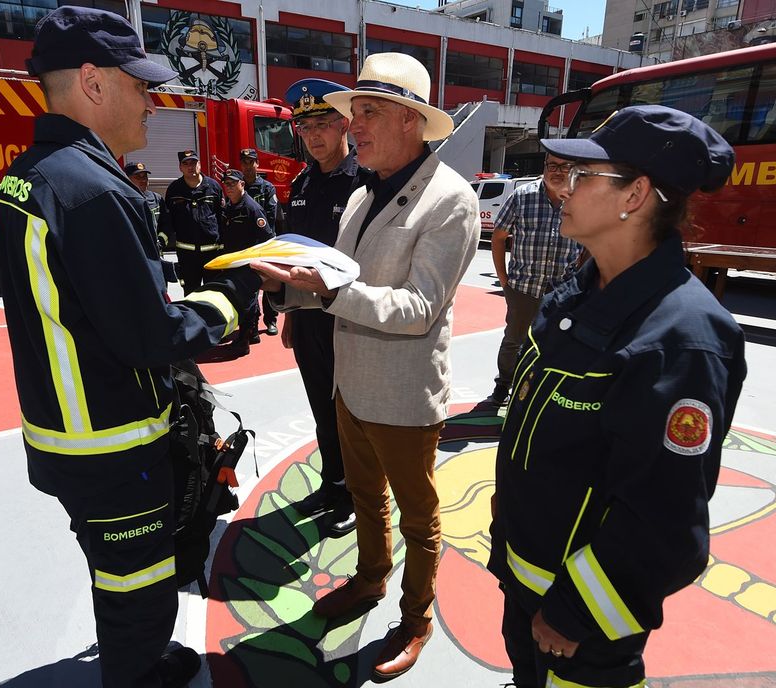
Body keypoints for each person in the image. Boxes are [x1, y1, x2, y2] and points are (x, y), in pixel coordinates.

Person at [0, 8, 258, 688]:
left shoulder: (28, 175)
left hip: (62, 432)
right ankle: (138, 674)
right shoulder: (93, 190)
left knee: (112, 570)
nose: (151, 101)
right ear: (92, 83)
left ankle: (131, 657)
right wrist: (233, 302)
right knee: (138, 580)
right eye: (140, 85)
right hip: (111, 442)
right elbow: (149, 336)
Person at [487, 105, 746, 688]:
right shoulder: (576, 295)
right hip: (527, 577)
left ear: (637, 195)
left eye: (581, 177)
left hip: (579, 618)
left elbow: (665, 518)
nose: (561, 190)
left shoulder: (681, 340)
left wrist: (577, 612)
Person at [256, 53, 479, 680]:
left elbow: (417, 308)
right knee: (363, 496)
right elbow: (337, 279)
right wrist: (283, 288)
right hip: (349, 383)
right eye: (355, 113)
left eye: (369, 112)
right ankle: (371, 580)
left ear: (412, 120)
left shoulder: (450, 200)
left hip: (405, 391)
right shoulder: (359, 194)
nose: (354, 126)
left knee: (418, 514)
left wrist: (325, 294)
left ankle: (416, 618)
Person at [282, 77, 371, 538]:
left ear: (343, 126)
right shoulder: (301, 184)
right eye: (305, 126)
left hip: (352, 319)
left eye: (323, 123)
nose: (313, 135)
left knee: (351, 410)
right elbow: (294, 255)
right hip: (310, 318)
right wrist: (292, 316)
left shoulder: (365, 182)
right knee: (322, 406)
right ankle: (334, 483)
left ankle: (359, 493)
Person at [485, 154, 581, 405]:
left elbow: (590, 241)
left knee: (557, 342)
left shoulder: (579, 199)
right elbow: (498, 237)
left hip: (561, 290)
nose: (558, 171)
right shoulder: (522, 196)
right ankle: (504, 385)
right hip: (523, 288)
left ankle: (542, 389)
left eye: (565, 166)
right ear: (544, 167)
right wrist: (504, 280)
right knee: (514, 341)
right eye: (553, 165)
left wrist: (580, 279)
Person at [219, 168, 273, 356]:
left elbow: (267, 236)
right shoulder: (229, 207)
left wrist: (254, 260)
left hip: (247, 263)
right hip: (233, 263)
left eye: (233, 183)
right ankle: (253, 333)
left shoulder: (252, 208)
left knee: (246, 301)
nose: (229, 187)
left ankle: (243, 341)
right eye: (227, 184)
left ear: (242, 184)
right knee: (244, 299)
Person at [165, 148, 224, 292]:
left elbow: (222, 217)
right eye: (186, 164)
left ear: (200, 165)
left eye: (193, 162)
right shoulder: (174, 190)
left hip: (212, 254)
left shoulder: (213, 187)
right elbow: (168, 220)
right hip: (187, 256)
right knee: (191, 294)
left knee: (214, 294)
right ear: (180, 167)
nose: (190, 167)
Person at [238, 147, 280, 337]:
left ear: (257, 164)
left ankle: (271, 320)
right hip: (245, 245)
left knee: (268, 282)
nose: (247, 166)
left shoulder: (267, 188)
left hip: (264, 244)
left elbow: (271, 217)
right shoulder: (238, 187)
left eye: (251, 162)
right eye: (244, 163)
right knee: (249, 286)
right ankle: (251, 324)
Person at [124, 161, 176, 287]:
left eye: (145, 177)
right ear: (126, 178)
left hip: (156, 257)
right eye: (138, 177)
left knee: (160, 291)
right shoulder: (122, 200)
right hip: (133, 257)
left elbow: (166, 225)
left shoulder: (156, 199)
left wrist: (161, 241)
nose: (143, 180)